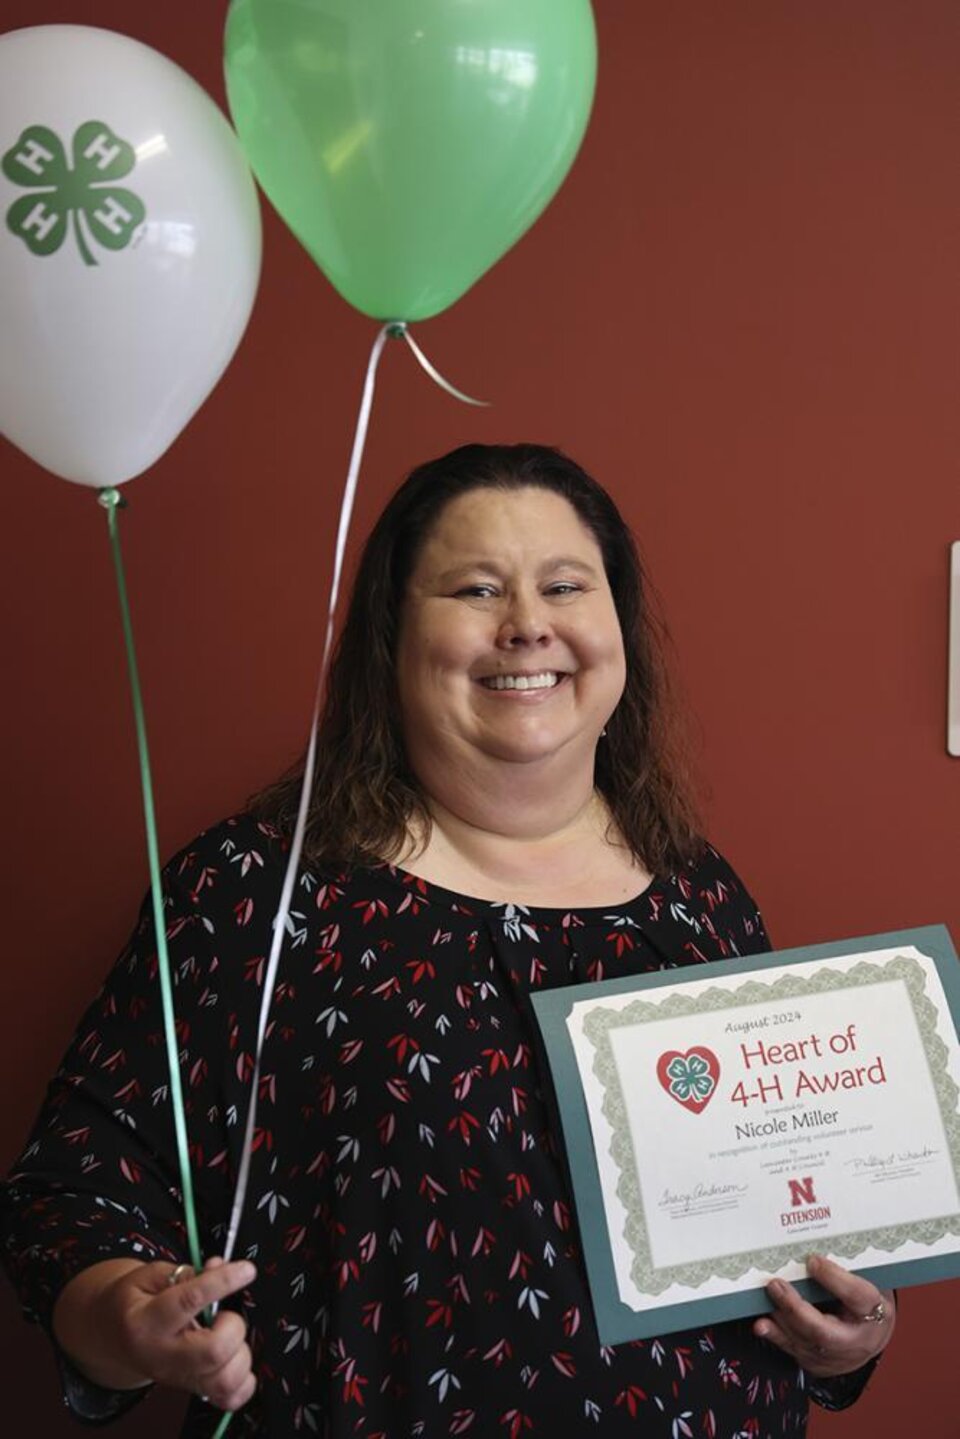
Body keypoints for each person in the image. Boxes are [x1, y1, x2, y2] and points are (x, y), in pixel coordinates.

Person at [2, 444, 894, 1436]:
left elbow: (785, 1221)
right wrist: (129, 1318)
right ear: (391, 635)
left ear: (617, 629)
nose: (527, 623)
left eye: (564, 584)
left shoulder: (701, 897)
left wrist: (844, 1335)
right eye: (476, 588)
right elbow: (71, 1188)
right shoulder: (256, 887)